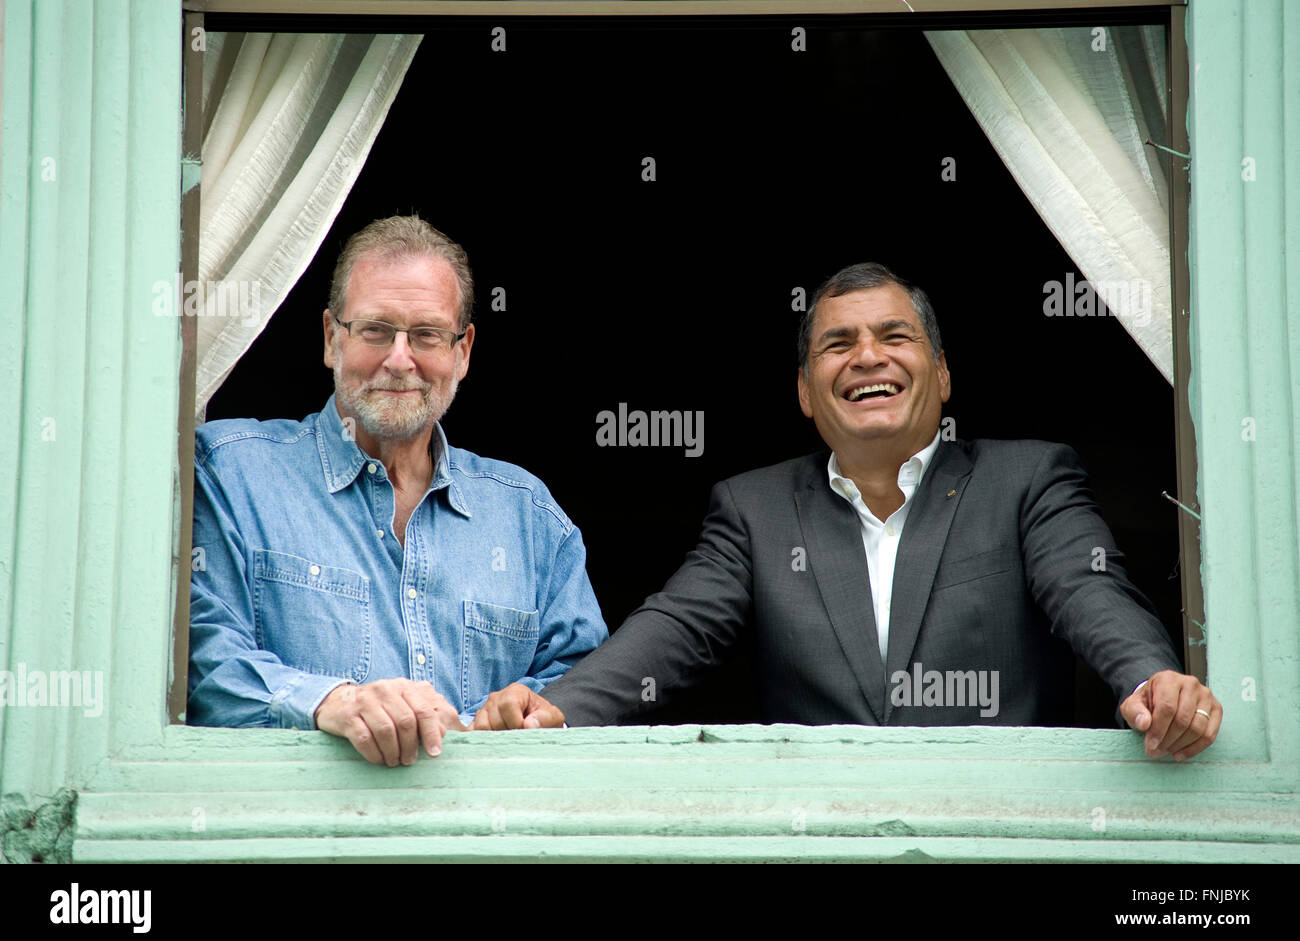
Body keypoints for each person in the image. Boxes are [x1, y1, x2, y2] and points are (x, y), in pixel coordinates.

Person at [473, 263, 1223, 762]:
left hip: (1002, 835)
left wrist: (1151, 680)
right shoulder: (755, 508)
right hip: (821, 836)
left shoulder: (1026, 479)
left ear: (945, 375)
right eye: (838, 344)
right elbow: (676, 629)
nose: (868, 355)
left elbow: (1088, 591)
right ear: (806, 393)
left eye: (895, 336)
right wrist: (555, 708)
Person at [188, 215, 608, 766]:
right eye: (376, 330)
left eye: (427, 335)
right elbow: (199, 659)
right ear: (331, 339)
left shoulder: (528, 515)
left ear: (463, 351)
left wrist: (526, 710)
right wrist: (333, 703)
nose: (399, 359)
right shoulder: (230, 471)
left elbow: (585, 680)